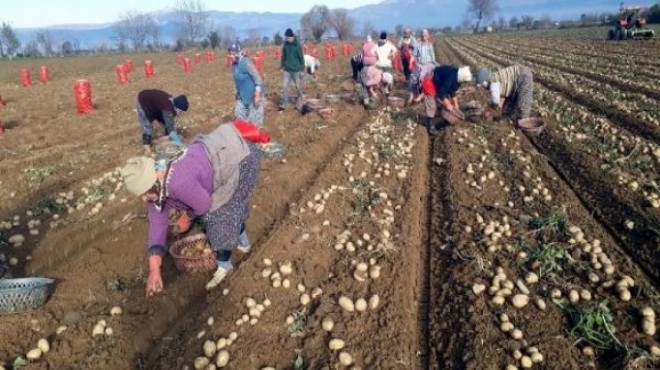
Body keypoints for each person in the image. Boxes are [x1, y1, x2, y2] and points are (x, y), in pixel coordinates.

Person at [120, 122, 261, 294]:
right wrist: (154, 270)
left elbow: (203, 204)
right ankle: (244, 244)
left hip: (239, 158)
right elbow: (157, 226)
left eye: (144, 192)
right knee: (230, 207)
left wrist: (188, 216)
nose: (143, 198)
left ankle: (225, 266)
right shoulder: (157, 180)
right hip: (220, 151)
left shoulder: (176, 182)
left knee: (217, 214)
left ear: (152, 184)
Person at [421, 65, 473, 135]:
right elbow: (441, 93)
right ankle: (430, 128)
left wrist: (456, 104)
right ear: (462, 77)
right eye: (465, 81)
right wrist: (447, 104)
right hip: (430, 82)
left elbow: (452, 91)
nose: (465, 83)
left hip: (439, 85)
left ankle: (439, 121)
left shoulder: (457, 78)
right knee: (432, 106)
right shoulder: (451, 77)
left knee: (443, 104)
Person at [136, 89, 188, 155]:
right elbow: (170, 127)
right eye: (180, 112)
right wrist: (179, 143)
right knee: (147, 125)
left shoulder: (172, 103)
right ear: (176, 107)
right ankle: (147, 149)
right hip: (143, 101)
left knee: (166, 122)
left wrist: (170, 135)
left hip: (154, 105)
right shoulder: (168, 108)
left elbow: (169, 123)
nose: (180, 114)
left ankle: (164, 139)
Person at [229, 42, 264, 128]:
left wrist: (257, 95)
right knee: (239, 115)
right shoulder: (234, 66)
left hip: (253, 96)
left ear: (239, 52)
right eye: (230, 54)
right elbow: (236, 80)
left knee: (254, 122)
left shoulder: (246, 63)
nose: (232, 56)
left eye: (234, 53)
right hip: (242, 96)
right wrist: (237, 92)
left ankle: (256, 136)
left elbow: (257, 78)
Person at [280, 28, 305, 110]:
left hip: (296, 70)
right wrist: (282, 66)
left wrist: (302, 69)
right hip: (287, 70)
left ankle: (301, 101)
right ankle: (285, 103)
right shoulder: (285, 45)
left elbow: (301, 58)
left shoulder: (297, 45)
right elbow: (283, 56)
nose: (287, 39)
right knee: (284, 87)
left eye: (288, 38)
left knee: (298, 87)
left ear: (292, 37)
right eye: (286, 38)